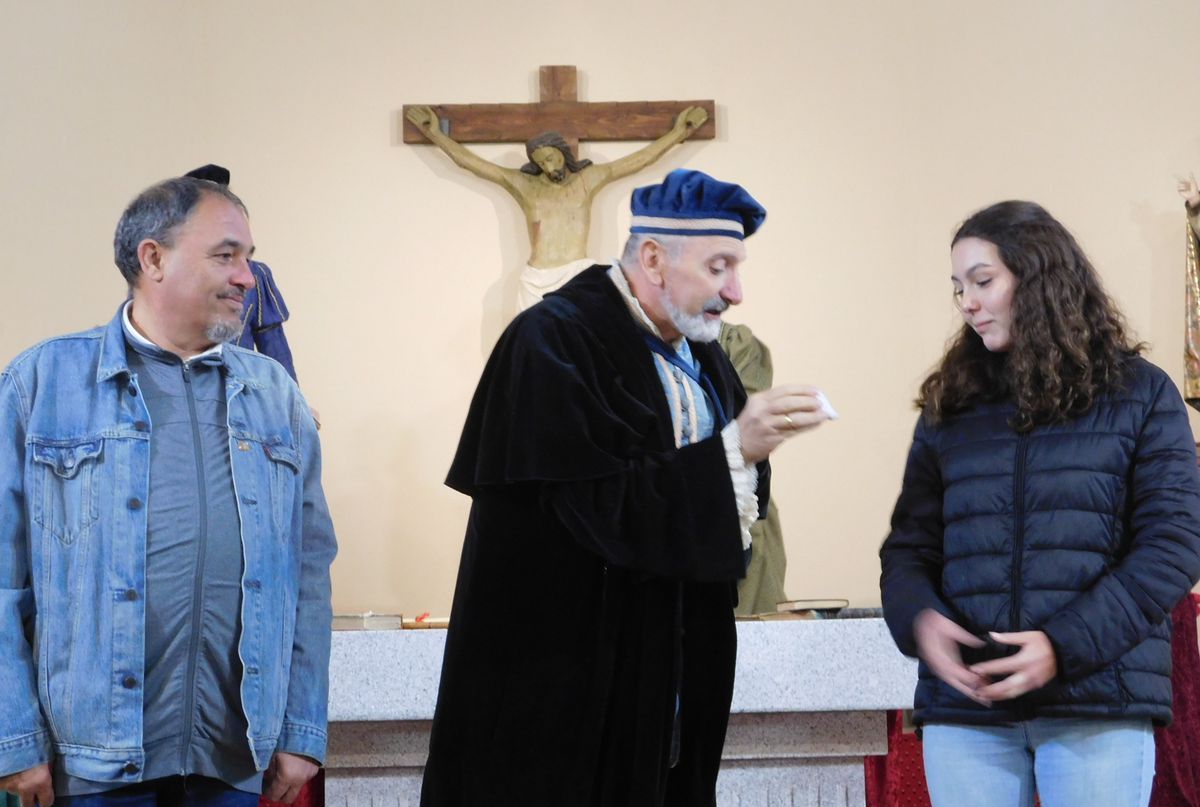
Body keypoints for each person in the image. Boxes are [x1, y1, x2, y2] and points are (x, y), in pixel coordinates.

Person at [420, 169, 833, 806]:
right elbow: (596, 508)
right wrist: (732, 450)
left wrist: (745, 458)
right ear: (652, 259)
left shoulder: (706, 359)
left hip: (670, 676)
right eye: (719, 266)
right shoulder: (554, 340)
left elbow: (710, 516)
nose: (737, 291)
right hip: (563, 684)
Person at [0, 177, 338, 806]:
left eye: (248, 258)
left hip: (233, 759)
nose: (248, 277)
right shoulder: (39, 384)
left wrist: (300, 732)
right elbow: (1, 579)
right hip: (87, 764)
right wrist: (13, 739)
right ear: (152, 258)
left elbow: (308, 574)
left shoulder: (276, 397)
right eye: (226, 254)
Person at [879, 200, 1200, 807]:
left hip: (1098, 704)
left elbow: (1174, 546)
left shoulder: (1141, 394)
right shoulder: (952, 401)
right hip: (967, 711)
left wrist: (1062, 646)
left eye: (983, 281)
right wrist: (919, 619)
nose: (968, 303)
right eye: (958, 289)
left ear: (1039, 277)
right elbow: (908, 547)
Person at [405, 104, 708, 308]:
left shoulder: (587, 180)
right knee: (533, 363)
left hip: (579, 276)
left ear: (564, 152)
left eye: (551, 158)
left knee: (588, 359)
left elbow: (639, 160)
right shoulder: (526, 186)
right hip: (536, 280)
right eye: (540, 162)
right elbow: (471, 163)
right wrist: (433, 133)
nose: (549, 167)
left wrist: (679, 133)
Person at [183, 165, 299, 383]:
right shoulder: (169, 277)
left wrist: (292, 404)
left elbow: (275, 351)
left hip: (239, 397)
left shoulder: (256, 274)